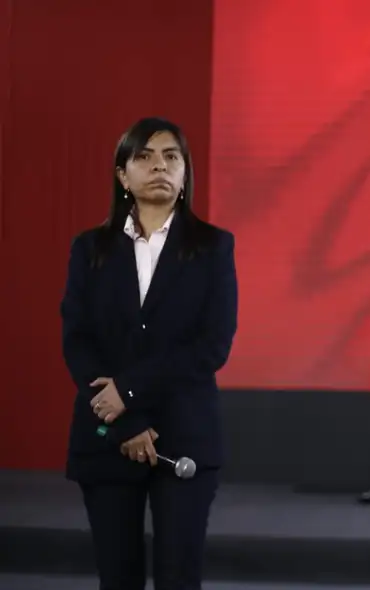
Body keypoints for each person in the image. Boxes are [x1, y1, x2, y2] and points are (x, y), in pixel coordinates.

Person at [60, 117, 239, 590]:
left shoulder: (214, 248)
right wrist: (126, 421)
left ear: (185, 174)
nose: (159, 166)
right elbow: (77, 340)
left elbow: (212, 345)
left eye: (171, 157)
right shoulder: (90, 249)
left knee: (179, 578)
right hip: (106, 434)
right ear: (123, 175)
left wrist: (130, 391)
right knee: (117, 577)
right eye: (144, 156)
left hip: (185, 434)